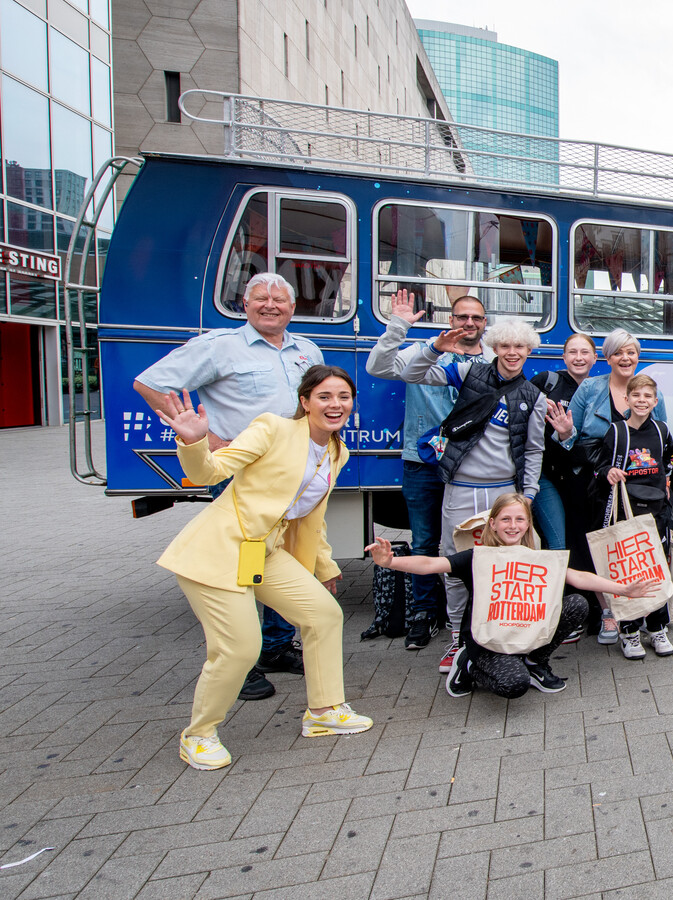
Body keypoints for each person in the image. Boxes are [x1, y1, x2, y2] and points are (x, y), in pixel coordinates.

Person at [152, 367, 373, 770]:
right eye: (324, 396)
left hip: (263, 551)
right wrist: (194, 440)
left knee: (323, 615)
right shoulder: (272, 428)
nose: (335, 404)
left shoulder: (335, 450)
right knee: (239, 648)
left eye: (343, 396)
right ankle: (198, 735)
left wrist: (324, 566)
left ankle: (324, 712)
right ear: (305, 402)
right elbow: (209, 472)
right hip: (216, 551)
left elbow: (311, 517)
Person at [134, 272, 321, 702]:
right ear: (245, 303)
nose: (271, 305)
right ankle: (243, 662)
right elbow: (149, 382)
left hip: (291, 473)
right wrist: (209, 440)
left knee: (284, 558)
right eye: (261, 298)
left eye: (280, 299)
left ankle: (274, 647)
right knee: (240, 566)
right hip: (240, 473)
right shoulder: (220, 346)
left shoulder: (306, 350)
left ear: (292, 308)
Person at [366, 493, 660, 696]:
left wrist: (622, 589)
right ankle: (467, 663)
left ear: (528, 525)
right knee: (513, 685)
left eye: (519, 520)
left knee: (576, 605)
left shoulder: (535, 556)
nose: (513, 526)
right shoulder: (478, 557)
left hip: (525, 633)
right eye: (505, 519)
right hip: (486, 641)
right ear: (492, 523)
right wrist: (390, 562)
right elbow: (431, 564)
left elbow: (577, 576)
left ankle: (534, 662)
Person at [396, 320, 549, 673]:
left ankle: (499, 634)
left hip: (504, 494)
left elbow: (534, 449)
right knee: (454, 564)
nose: (512, 353)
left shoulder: (534, 397)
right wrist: (435, 349)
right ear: (495, 347)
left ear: (529, 351)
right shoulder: (467, 372)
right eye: (506, 346)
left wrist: (527, 495)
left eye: (520, 347)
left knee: (506, 568)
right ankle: (458, 639)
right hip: (461, 488)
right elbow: (413, 374)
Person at [365, 290, 491, 650]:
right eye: (462, 317)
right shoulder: (424, 350)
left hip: (472, 467)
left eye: (476, 318)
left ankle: (471, 611)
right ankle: (423, 613)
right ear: (451, 321)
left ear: (485, 324)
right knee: (425, 540)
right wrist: (399, 326)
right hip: (424, 463)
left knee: (469, 542)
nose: (469, 323)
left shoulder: (495, 358)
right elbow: (377, 367)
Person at [550, 329, 669, 646]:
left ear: (638, 356)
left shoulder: (648, 390)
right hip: (591, 478)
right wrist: (564, 432)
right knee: (599, 546)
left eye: (631, 352)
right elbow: (567, 436)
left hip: (638, 486)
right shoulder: (590, 387)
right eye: (618, 352)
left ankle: (645, 612)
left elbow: (662, 441)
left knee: (635, 550)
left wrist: (665, 479)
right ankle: (609, 613)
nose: (625, 358)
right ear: (608, 357)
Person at [601, 374, 673, 658]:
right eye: (637, 396)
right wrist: (607, 472)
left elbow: (671, 456)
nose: (642, 401)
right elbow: (601, 463)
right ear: (627, 399)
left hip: (657, 511)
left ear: (655, 402)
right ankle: (630, 631)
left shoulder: (661, 430)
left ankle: (657, 627)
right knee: (630, 570)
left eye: (648, 396)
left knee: (656, 568)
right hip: (627, 513)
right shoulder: (617, 431)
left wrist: (666, 477)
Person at [528, 334, 598, 553]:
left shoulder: (598, 390)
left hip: (580, 478)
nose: (579, 358)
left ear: (595, 358)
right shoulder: (546, 382)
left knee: (581, 539)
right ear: (564, 357)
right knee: (557, 542)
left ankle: (578, 586)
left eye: (585, 352)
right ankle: (556, 586)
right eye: (573, 352)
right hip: (546, 475)